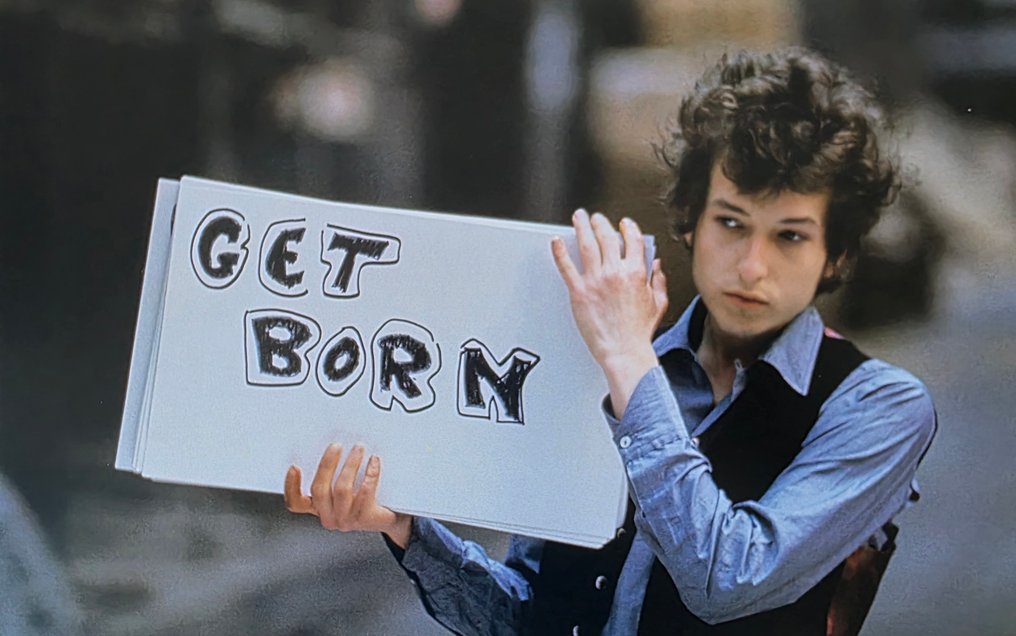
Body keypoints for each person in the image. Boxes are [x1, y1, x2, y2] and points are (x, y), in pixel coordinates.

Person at [283, 47, 937, 635]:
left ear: (836, 255)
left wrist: (629, 359)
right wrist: (405, 528)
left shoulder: (878, 406)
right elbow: (531, 617)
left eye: (789, 235)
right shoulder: (596, 368)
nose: (751, 266)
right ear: (690, 221)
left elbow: (729, 580)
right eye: (731, 224)